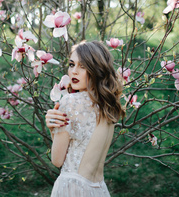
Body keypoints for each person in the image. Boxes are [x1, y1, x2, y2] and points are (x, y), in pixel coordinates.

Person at [45, 41, 125, 197]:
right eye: (71, 64)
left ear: (97, 70)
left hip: (72, 188)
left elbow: (57, 160)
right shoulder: (109, 105)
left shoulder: (70, 102)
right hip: (98, 189)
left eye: (82, 66)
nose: (74, 72)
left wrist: (52, 128)